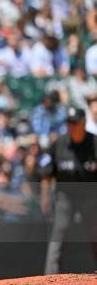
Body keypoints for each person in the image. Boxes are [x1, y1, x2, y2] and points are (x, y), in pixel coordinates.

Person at [40, 107, 97, 274]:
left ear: (84, 123)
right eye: (69, 122)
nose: (71, 126)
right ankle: (50, 276)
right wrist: (45, 197)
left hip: (90, 195)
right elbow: (47, 173)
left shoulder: (94, 143)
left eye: (75, 123)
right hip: (66, 195)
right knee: (60, 230)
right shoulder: (59, 144)